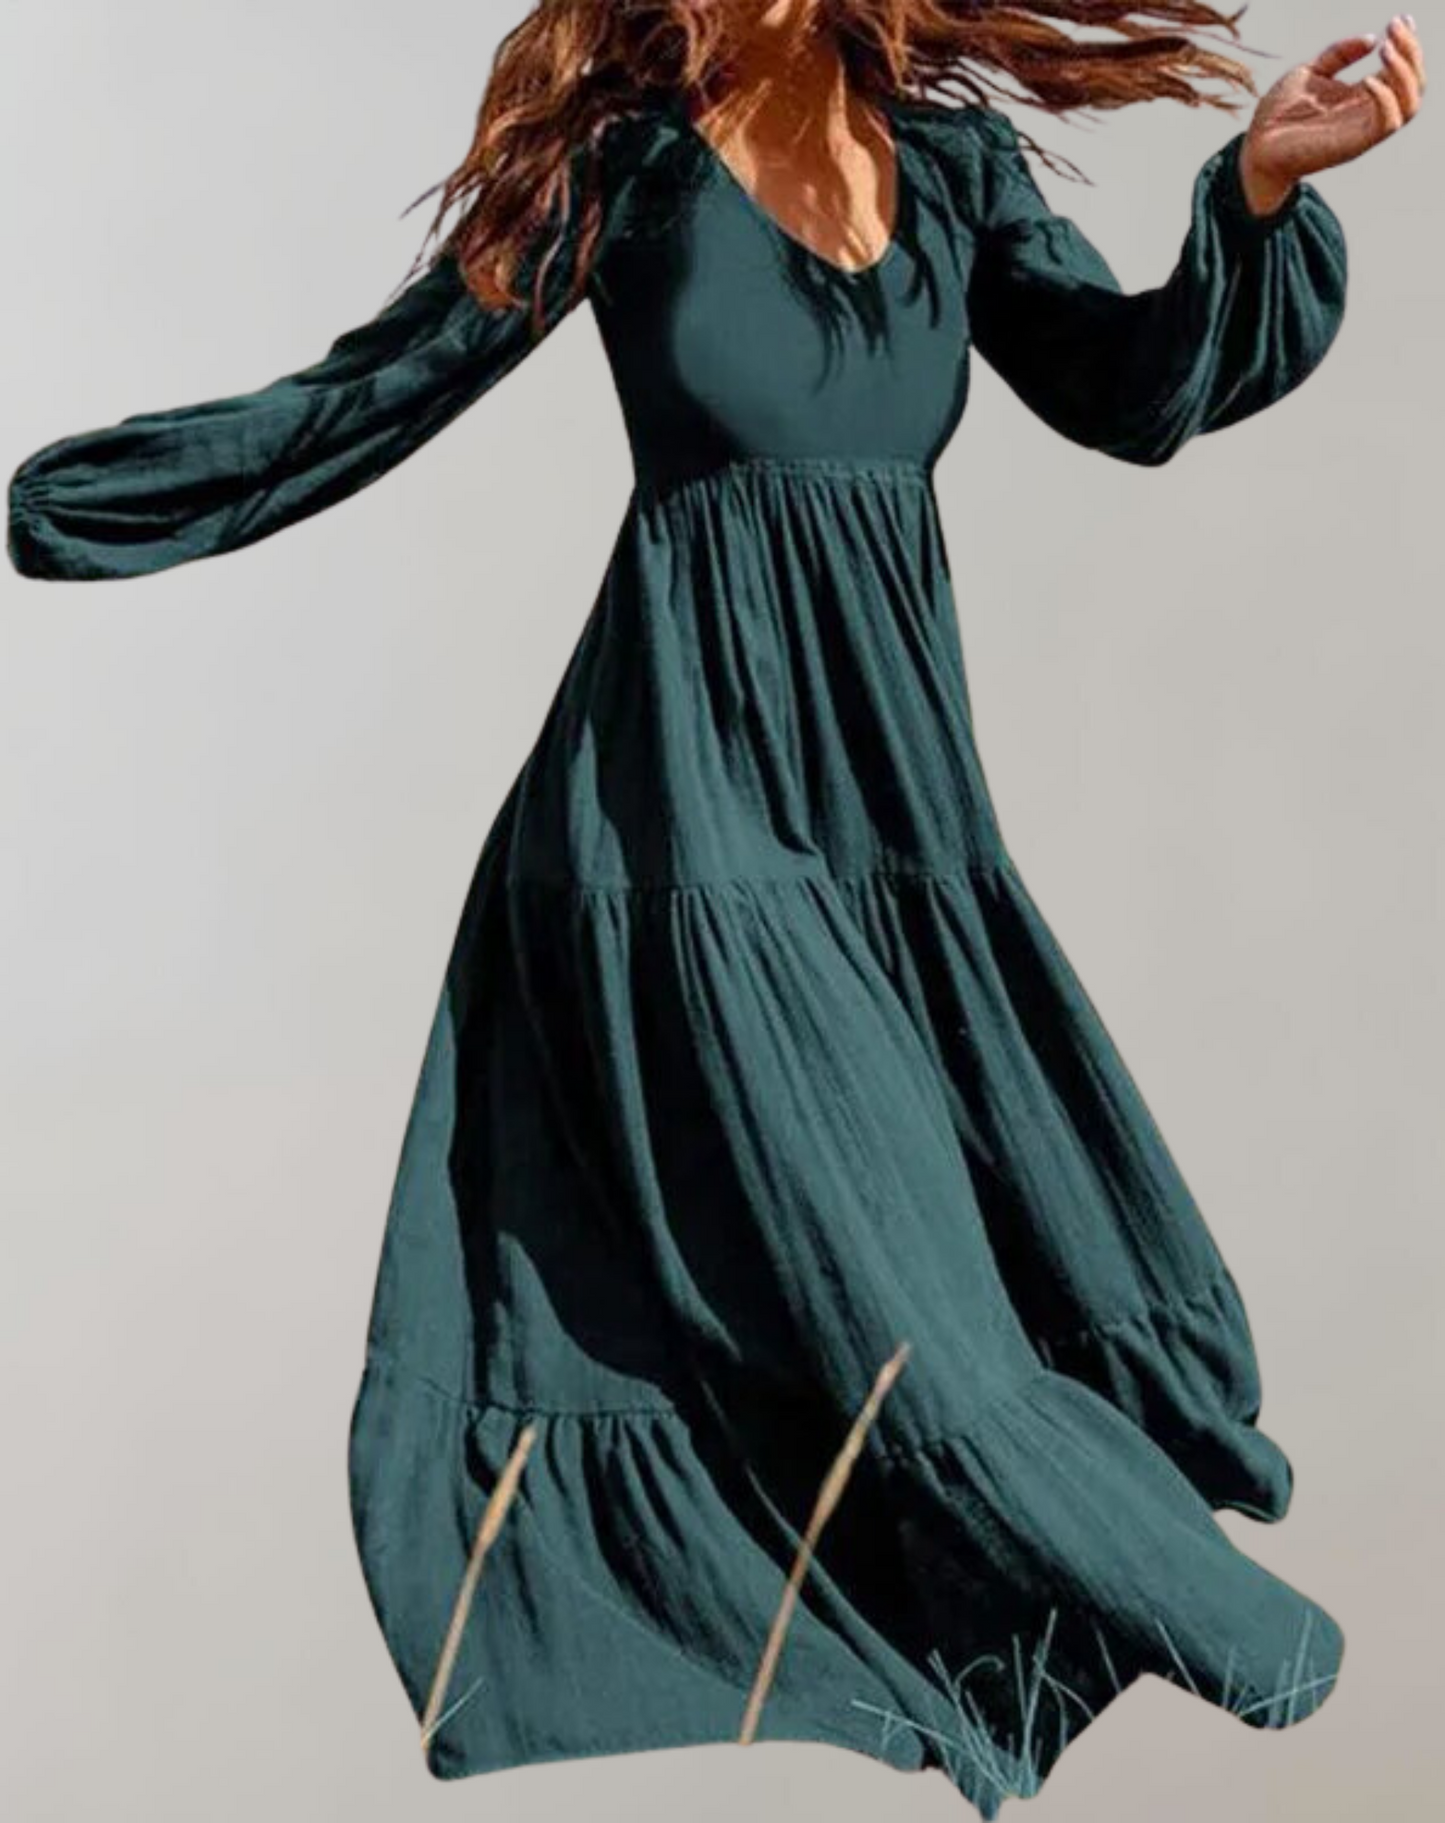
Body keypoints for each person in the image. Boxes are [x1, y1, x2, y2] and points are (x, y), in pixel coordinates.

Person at [6, 3, 1427, 1812]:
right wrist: (72, 503)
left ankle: (1020, 1633)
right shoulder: (625, 171)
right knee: (884, 1284)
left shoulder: (958, 174)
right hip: (674, 822)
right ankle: (1205, 1612)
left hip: (896, 825)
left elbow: (1134, 390)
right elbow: (378, 386)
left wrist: (1259, 187)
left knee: (944, 1260)